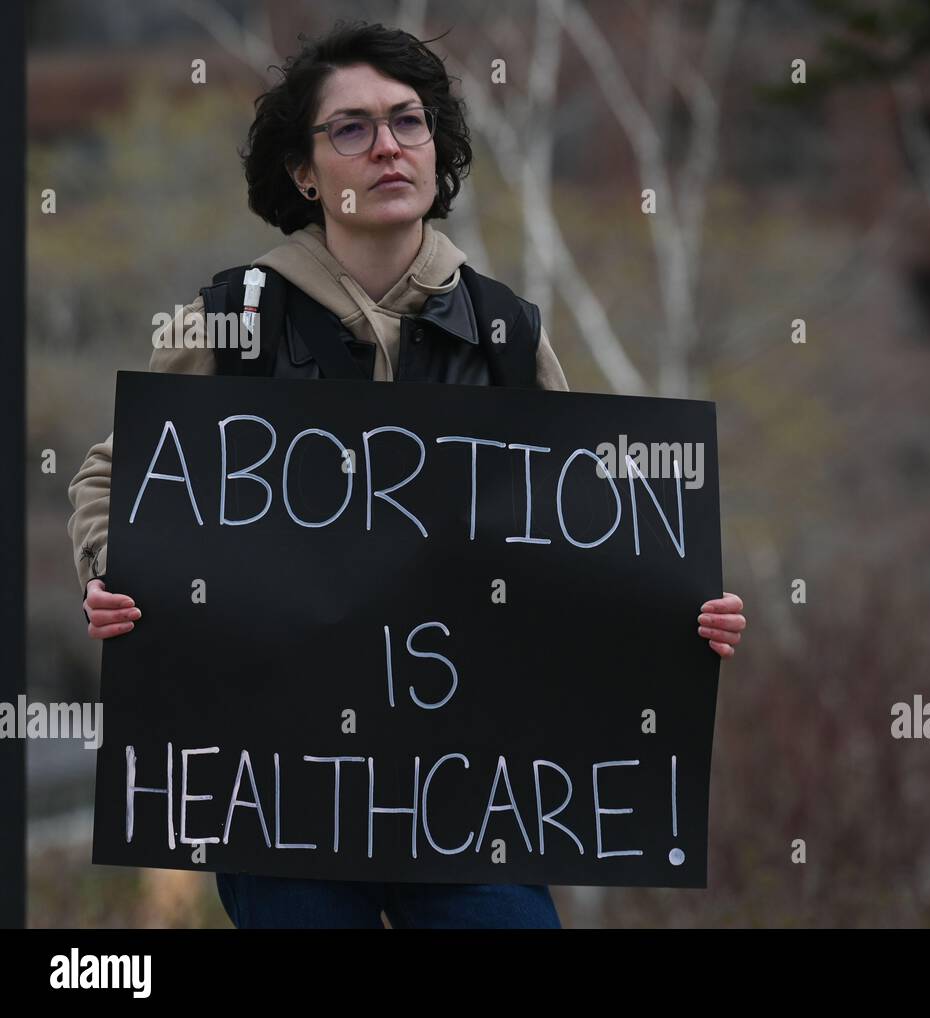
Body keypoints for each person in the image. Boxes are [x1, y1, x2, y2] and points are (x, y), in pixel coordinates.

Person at [65, 20, 746, 929]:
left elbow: (584, 531)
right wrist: (116, 573)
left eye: (408, 121)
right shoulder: (229, 316)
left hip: (472, 796)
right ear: (305, 173)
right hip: (281, 792)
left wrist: (675, 607)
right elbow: (114, 477)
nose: (388, 145)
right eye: (351, 127)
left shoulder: (508, 333)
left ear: (437, 149)